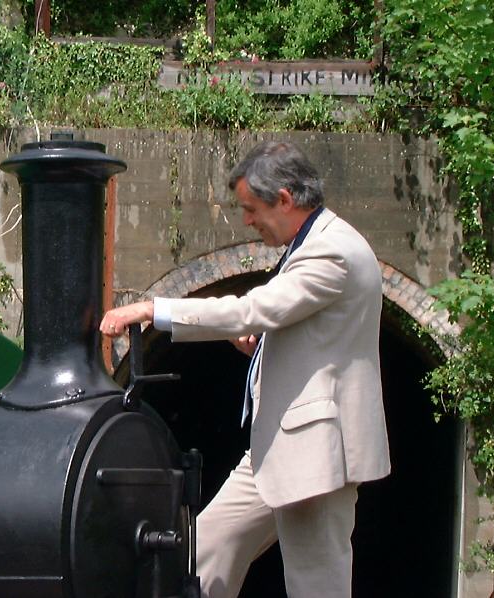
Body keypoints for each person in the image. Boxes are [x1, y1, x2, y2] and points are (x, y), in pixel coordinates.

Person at [100, 141, 390, 598]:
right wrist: (259, 343)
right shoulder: (312, 241)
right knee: (203, 550)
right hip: (277, 447)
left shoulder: (332, 251)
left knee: (317, 583)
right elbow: (299, 324)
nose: (246, 221)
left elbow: (254, 308)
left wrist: (154, 310)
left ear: (285, 200)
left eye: (250, 209)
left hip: (317, 452)